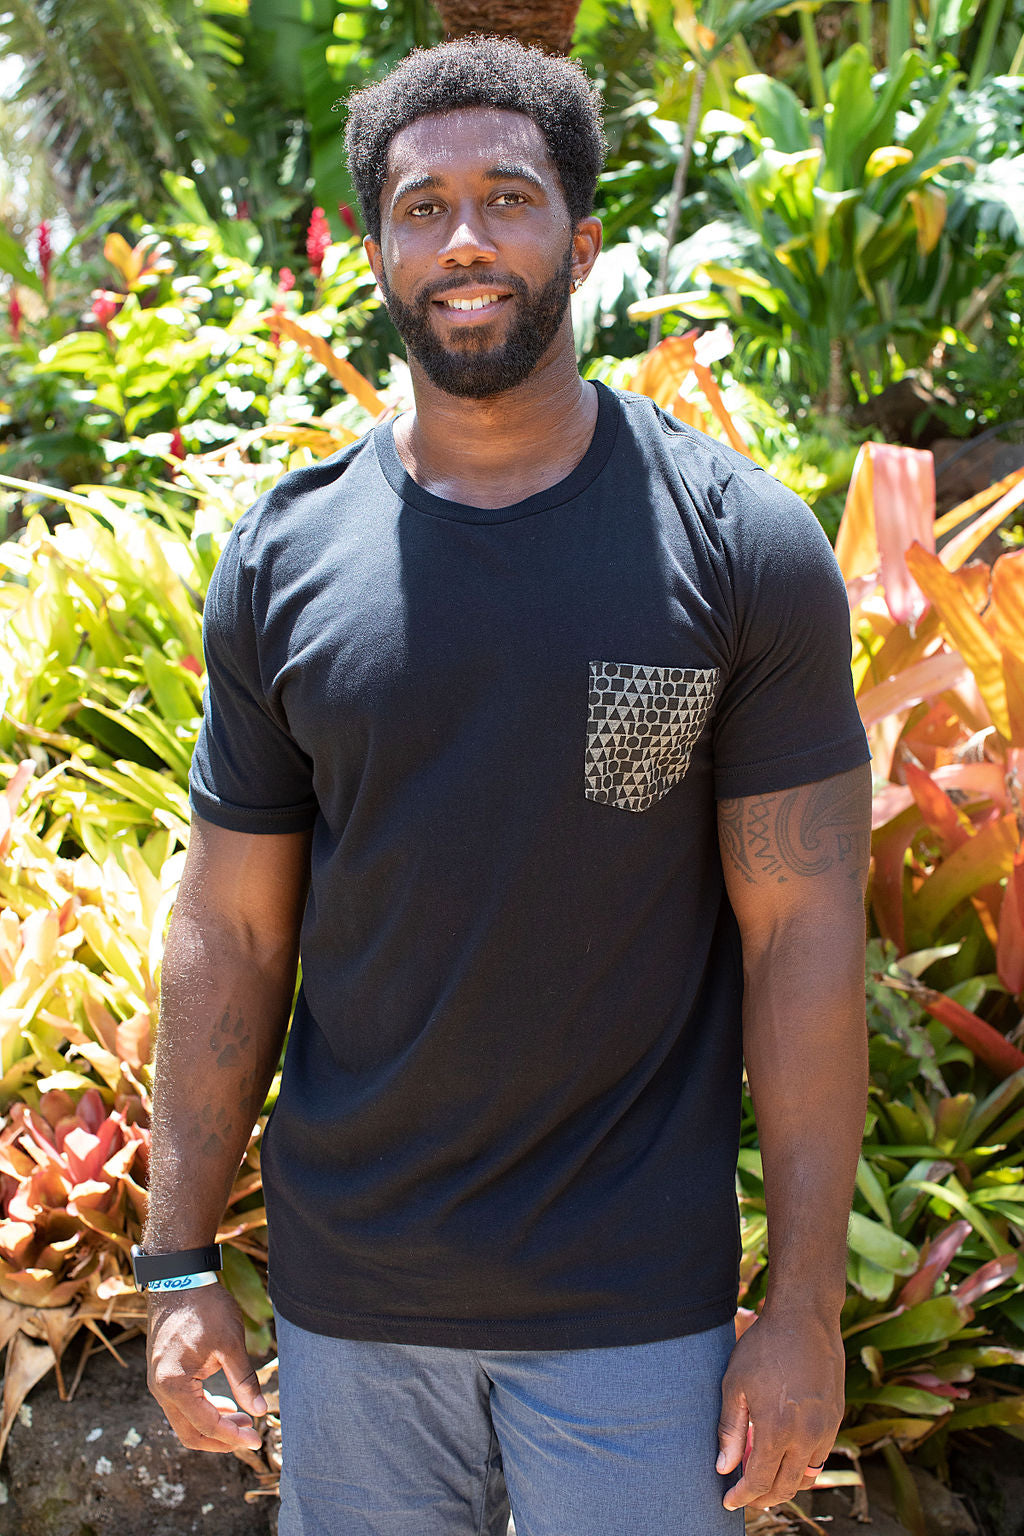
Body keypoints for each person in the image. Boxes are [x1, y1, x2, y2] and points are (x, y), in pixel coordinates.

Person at [141, 35, 872, 1536]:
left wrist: (805, 1309)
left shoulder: (738, 550)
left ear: (583, 240)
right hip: (353, 1309)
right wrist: (177, 1265)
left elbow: (802, 941)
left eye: (509, 198)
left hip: (634, 1312)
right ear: (376, 252)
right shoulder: (287, 563)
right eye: (422, 208)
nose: (464, 238)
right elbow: (232, 935)